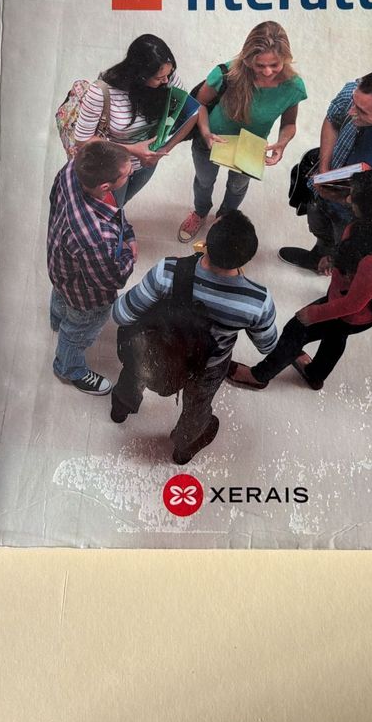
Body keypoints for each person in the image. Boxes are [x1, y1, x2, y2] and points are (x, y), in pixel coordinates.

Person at [229, 169, 372, 392]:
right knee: (335, 339)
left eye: (355, 198)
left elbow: (352, 304)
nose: (349, 200)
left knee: (296, 329)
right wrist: (334, 259)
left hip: (350, 311)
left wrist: (314, 314)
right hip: (355, 308)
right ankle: (315, 375)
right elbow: (351, 253)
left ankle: (259, 376)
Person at [110, 211, 278, 465]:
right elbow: (267, 345)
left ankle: (121, 408)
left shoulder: (168, 271)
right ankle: (183, 448)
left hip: (158, 348)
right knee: (198, 405)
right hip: (208, 365)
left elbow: (121, 314)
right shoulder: (257, 301)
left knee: (134, 374)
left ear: (206, 244)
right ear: (247, 257)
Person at [279, 69, 372, 273]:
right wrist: (324, 171)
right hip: (324, 193)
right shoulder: (355, 93)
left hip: (356, 218)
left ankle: (336, 265)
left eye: (362, 112)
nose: (351, 112)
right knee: (320, 227)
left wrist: (346, 200)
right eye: (354, 103)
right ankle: (320, 253)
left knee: (347, 260)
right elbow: (333, 119)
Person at [177, 21, 307, 243]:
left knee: (237, 186)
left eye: (274, 65)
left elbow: (289, 123)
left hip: (250, 147)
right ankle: (200, 212)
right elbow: (199, 104)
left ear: (285, 58)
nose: (267, 72)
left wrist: (282, 143)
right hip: (210, 141)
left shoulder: (293, 86)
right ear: (247, 59)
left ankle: (225, 218)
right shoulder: (226, 74)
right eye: (260, 65)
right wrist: (205, 133)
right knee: (204, 181)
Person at [48, 140, 137, 396]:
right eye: (127, 174)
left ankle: (57, 320)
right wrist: (129, 254)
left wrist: (126, 232)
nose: (131, 172)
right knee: (78, 330)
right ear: (105, 187)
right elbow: (112, 279)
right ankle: (68, 368)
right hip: (86, 297)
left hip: (59, 263)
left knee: (61, 294)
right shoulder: (96, 239)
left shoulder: (70, 170)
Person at [74, 33, 196, 208]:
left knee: (123, 201)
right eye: (159, 78)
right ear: (140, 74)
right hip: (114, 167)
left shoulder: (168, 79)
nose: (166, 81)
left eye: (168, 74)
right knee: (112, 208)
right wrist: (133, 150)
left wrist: (163, 150)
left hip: (148, 163)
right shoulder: (101, 92)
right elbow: (82, 140)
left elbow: (192, 114)